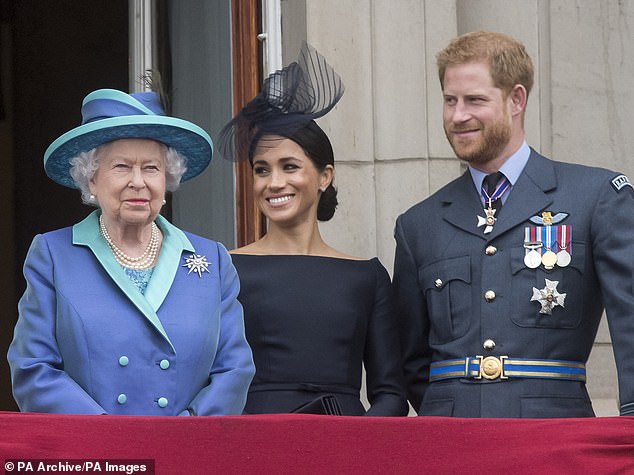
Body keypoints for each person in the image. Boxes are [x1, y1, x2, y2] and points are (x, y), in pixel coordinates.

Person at [393, 30, 634, 418]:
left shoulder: (596, 196)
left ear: (516, 99)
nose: (458, 116)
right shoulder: (418, 224)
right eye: (449, 100)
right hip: (451, 442)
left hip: (554, 437)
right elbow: (412, 361)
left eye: (474, 100)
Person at [7, 87, 255, 415]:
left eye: (151, 168)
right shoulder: (53, 256)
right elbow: (33, 368)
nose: (138, 182)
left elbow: (234, 370)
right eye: (121, 166)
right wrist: (112, 437)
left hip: (186, 453)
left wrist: (189, 429)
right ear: (91, 180)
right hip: (94, 453)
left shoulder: (214, 259)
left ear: (167, 180)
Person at [218, 43, 408, 416]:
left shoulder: (366, 276)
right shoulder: (226, 268)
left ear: (324, 176)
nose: (273, 182)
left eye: (289, 166)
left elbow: (391, 393)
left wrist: (354, 446)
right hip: (254, 442)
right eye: (261, 169)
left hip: (345, 451)